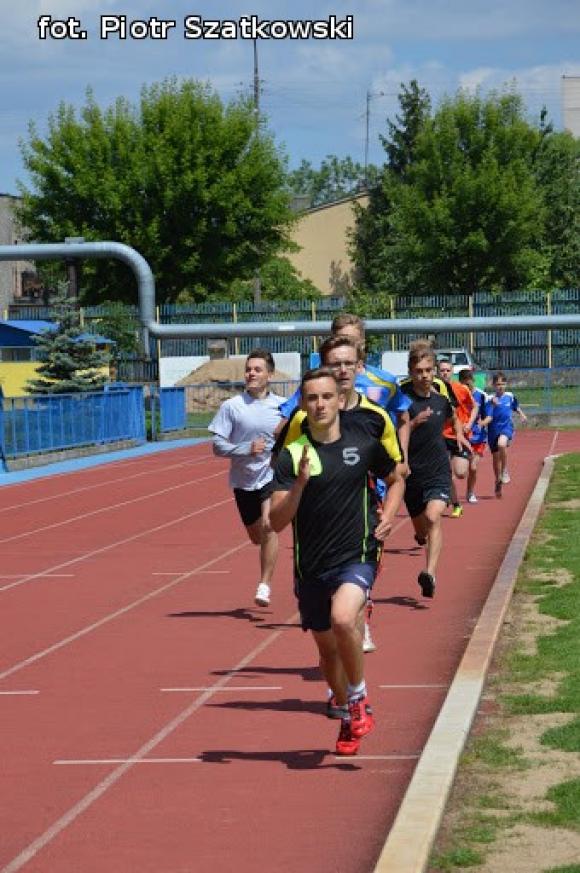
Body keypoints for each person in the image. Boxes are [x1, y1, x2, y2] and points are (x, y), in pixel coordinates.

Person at [270, 367, 405, 755]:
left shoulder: (362, 440)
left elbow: (396, 476)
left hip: (357, 551)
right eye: (311, 398)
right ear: (302, 403)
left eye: (327, 396)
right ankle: (348, 713)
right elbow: (275, 522)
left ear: (339, 399)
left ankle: (359, 699)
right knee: (328, 651)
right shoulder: (292, 455)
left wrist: (390, 514)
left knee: (345, 617)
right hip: (311, 564)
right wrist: (298, 484)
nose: (320, 404)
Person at [274, 335, 406, 656]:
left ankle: (360, 622)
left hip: (364, 514)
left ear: (359, 367)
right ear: (325, 367)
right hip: (315, 520)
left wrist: (389, 514)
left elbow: (397, 470)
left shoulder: (375, 417)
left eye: (349, 364)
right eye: (336, 364)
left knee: (347, 607)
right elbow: (285, 459)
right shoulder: (304, 418)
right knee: (328, 622)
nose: (343, 370)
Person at [208, 349, 285, 607]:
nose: (251, 373)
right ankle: (265, 551)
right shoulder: (232, 407)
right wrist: (244, 449)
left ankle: (264, 584)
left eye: (257, 369)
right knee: (256, 537)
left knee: (269, 525)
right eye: (249, 369)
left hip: (271, 477)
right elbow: (217, 446)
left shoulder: (282, 407)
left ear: (270, 375)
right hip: (243, 480)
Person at [401, 344, 473, 598]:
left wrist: (461, 436)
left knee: (433, 517)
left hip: (437, 469)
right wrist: (413, 423)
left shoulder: (442, 396)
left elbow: (453, 417)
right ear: (410, 371)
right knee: (422, 530)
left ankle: (429, 573)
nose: (424, 375)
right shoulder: (401, 397)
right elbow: (391, 428)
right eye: (418, 371)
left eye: (428, 370)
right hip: (410, 473)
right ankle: (420, 536)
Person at [437, 358, 477, 518]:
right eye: (442, 370)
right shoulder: (433, 389)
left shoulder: (461, 389)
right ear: (438, 372)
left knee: (460, 473)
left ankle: (450, 491)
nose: (445, 373)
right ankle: (456, 504)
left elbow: (474, 407)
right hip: (440, 436)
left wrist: (469, 423)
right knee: (446, 473)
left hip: (459, 436)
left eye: (447, 370)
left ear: (452, 372)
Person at [487, 371, 527, 498]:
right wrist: (491, 404)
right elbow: (484, 411)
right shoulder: (490, 398)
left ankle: (505, 471)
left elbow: (516, 407)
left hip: (506, 427)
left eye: (503, 384)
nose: (500, 386)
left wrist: (522, 415)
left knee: (502, 444)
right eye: (498, 384)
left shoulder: (510, 396)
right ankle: (497, 480)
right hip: (493, 431)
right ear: (493, 385)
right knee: (495, 459)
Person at [458, 369, 492, 504]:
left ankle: (470, 492)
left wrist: (482, 423)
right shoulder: (457, 395)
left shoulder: (481, 396)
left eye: (469, 384)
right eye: (464, 385)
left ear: (473, 381)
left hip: (478, 438)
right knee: (461, 470)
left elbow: (489, 416)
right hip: (463, 436)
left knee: (473, 467)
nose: (467, 387)